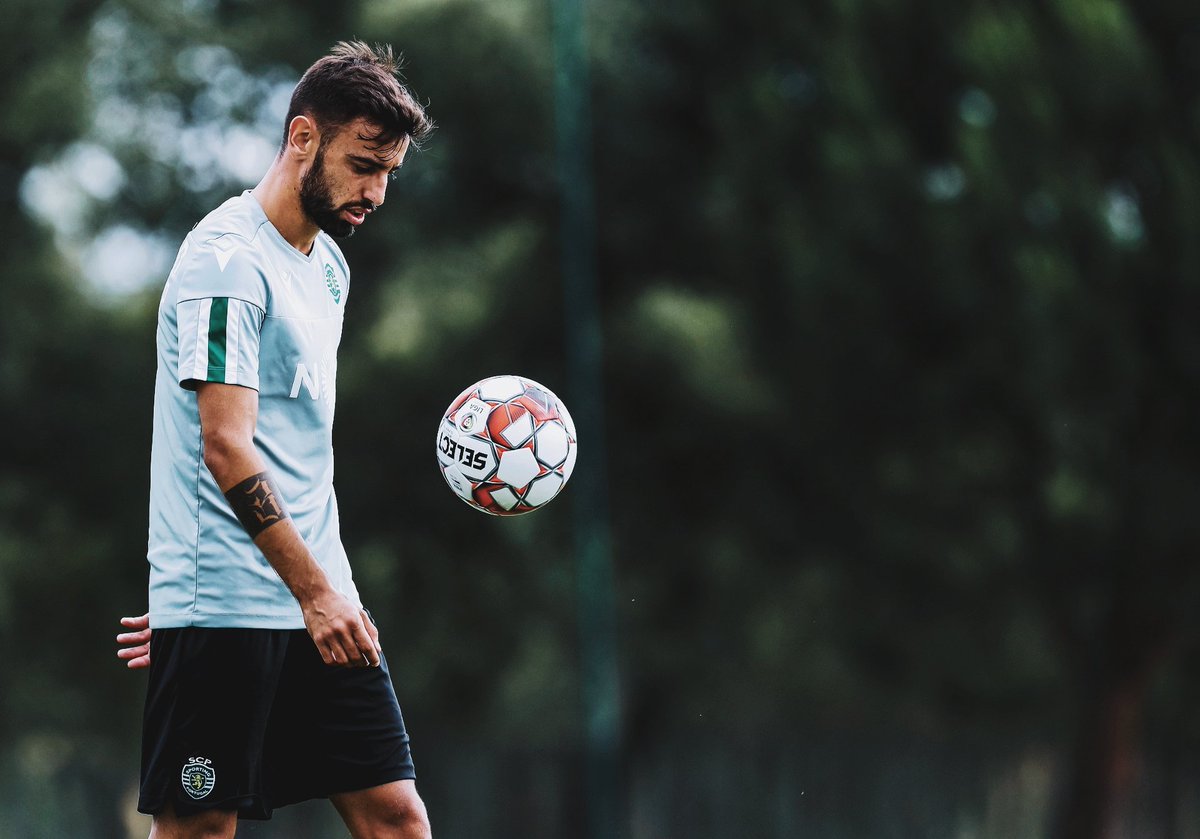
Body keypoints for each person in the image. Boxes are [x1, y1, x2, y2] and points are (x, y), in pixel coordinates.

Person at [117, 41, 435, 838]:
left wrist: (321, 593)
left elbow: (292, 447)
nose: (377, 191)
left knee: (397, 817)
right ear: (302, 138)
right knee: (200, 827)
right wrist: (201, 602)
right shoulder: (225, 262)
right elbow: (226, 446)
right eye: (364, 165)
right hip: (245, 605)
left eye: (389, 172)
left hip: (320, 600)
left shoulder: (328, 266)